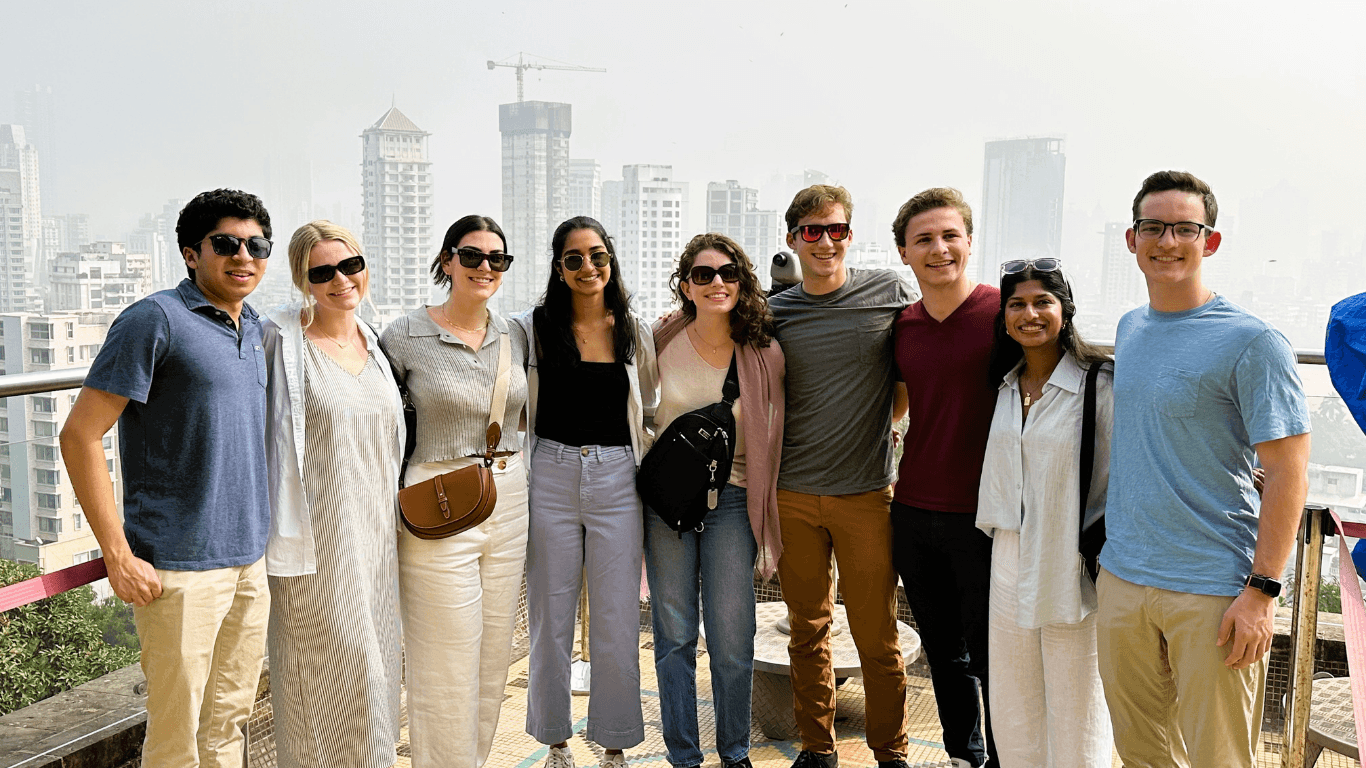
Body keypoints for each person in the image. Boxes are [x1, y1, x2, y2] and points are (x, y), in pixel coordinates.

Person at [1097, 170, 1311, 766]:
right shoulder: (1130, 328)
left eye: (1184, 229)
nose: (1167, 241)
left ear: (1209, 242)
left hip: (1213, 590)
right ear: (1131, 240)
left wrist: (1263, 591)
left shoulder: (1253, 342)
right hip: (1123, 577)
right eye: (1153, 227)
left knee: (1219, 756)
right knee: (1140, 752)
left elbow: (1289, 475)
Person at [59, 189, 273, 768]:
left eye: (256, 244)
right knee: (176, 742)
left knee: (229, 724)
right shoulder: (155, 320)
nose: (243, 255)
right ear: (189, 253)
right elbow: (79, 436)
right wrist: (117, 554)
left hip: (249, 561)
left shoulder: (254, 327)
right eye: (225, 244)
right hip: (177, 568)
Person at [768, 185, 916, 768]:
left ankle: (892, 751)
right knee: (807, 631)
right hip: (793, 495)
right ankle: (817, 748)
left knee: (877, 636)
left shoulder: (889, 292)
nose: (825, 241)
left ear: (851, 235)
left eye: (836, 230)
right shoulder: (775, 312)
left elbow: (906, 381)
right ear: (792, 240)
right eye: (812, 231)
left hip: (867, 495)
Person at [378, 215, 529, 768]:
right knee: (443, 664)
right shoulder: (404, 334)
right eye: (472, 256)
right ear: (447, 261)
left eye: (497, 259)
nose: (485, 267)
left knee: (492, 660)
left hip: (508, 497)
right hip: (437, 499)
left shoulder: (514, 334)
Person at [512, 216, 657, 768]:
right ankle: (554, 740)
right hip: (549, 473)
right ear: (558, 268)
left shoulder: (633, 330)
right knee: (551, 615)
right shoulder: (533, 329)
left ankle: (614, 741)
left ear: (610, 259)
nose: (588, 267)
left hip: (619, 477)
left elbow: (646, 399)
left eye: (597, 255)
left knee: (618, 617)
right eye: (574, 259)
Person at [261, 221, 405, 768]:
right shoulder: (280, 341)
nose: (340, 280)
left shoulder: (376, 341)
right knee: (327, 689)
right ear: (303, 281)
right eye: (322, 272)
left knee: (380, 679)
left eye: (350, 265)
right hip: (316, 551)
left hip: (376, 544)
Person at [646, 233, 786, 768]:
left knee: (731, 638)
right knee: (675, 636)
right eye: (702, 275)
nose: (716, 283)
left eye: (727, 273)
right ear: (686, 285)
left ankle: (734, 753)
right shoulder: (660, 338)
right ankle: (683, 754)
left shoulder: (764, 352)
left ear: (742, 280)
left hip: (733, 501)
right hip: (668, 505)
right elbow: (632, 404)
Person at [976, 260, 1115, 767]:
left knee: (1077, 702)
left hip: (1070, 558)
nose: (1029, 314)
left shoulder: (1100, 384)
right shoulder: (1006, 385)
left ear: (1065, 310)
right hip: (1007, 554)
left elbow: (1133, 468)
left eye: (1042, 302)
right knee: (1013, 705)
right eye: (1017, 304)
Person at [888, 187, 999, 768]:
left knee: (992, 652)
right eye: (924, 239)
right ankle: (964, 754)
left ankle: (1005, 756)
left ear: (970, 242)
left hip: (988, 514)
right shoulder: (902, 325)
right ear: (904, 253)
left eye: (950, 235)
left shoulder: (1006, 314)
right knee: (942, 651)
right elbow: (899, 404)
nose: (939, 249)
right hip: (912, 510)